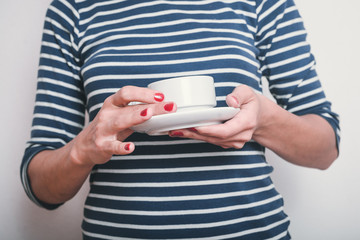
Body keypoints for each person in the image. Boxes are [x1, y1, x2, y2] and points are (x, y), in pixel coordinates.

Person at [21, 0, 340, 239]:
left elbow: (325, 150)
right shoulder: (73, 10)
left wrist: (264, 119)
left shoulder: (262, 4)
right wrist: (83, 149)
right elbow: (40, 187)